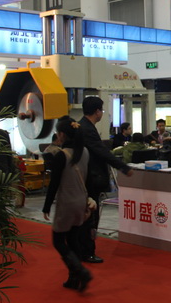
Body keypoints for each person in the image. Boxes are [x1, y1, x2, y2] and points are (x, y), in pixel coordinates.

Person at [78, 96, 134, 264]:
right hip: (90, 178)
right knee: (90, 216)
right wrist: (123, 167)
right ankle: (87, 251)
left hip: (86, 176)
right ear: (97, 112)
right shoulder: (87, 129)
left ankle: (83, 249)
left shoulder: (83, 126)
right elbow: (101, 152)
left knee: (87, 216)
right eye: (102, 110)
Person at [42, 117, 93, 292]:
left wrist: (46, 206)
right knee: (73, 239)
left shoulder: (62, 155)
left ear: (62, 135)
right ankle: (74, 278)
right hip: (80, 202)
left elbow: (54, 184)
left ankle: (79, 271)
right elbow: (88, 178)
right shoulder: (85, 152)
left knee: (58, 241)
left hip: (66, 203)